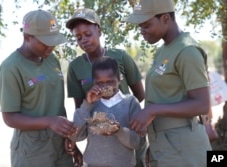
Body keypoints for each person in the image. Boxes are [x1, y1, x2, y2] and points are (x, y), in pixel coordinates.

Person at [126, 0, 212, 166]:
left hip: (183, 144)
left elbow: (202, 104)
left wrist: (153, 110)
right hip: (165, 141)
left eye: (146, 25)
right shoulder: (163, 50)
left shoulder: (187, 51)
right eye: (140, 26)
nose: (142, 31)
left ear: (165, 18)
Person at [65, 8, 147, 167]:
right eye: (78, 37)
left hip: (128, 143)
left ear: (99, 30)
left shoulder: (121, 56)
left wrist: (120, 121)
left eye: (88, 34)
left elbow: (140, 95)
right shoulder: (75, 67)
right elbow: (80, 110)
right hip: (99, 147)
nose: (84, 40)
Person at [0, 9, 77, 167]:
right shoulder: (11, 68)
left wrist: (68, 136)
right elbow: (10, 117)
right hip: (33, 151)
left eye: (53, 41)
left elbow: (56, 105)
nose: (51, 47)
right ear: (27, 37)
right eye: (45, 42)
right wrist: (49, 121)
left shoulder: (52, 59)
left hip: (60, 145)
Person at [70, 56, 143, 167]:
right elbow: (75, 136)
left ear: (119, 79)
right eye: (99, 83)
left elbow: (138, 142)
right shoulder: (90, 105)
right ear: (93, 82)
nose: (105, 87)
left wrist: (119, 131)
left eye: (110, 82)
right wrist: (87, 105)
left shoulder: (130, 103)